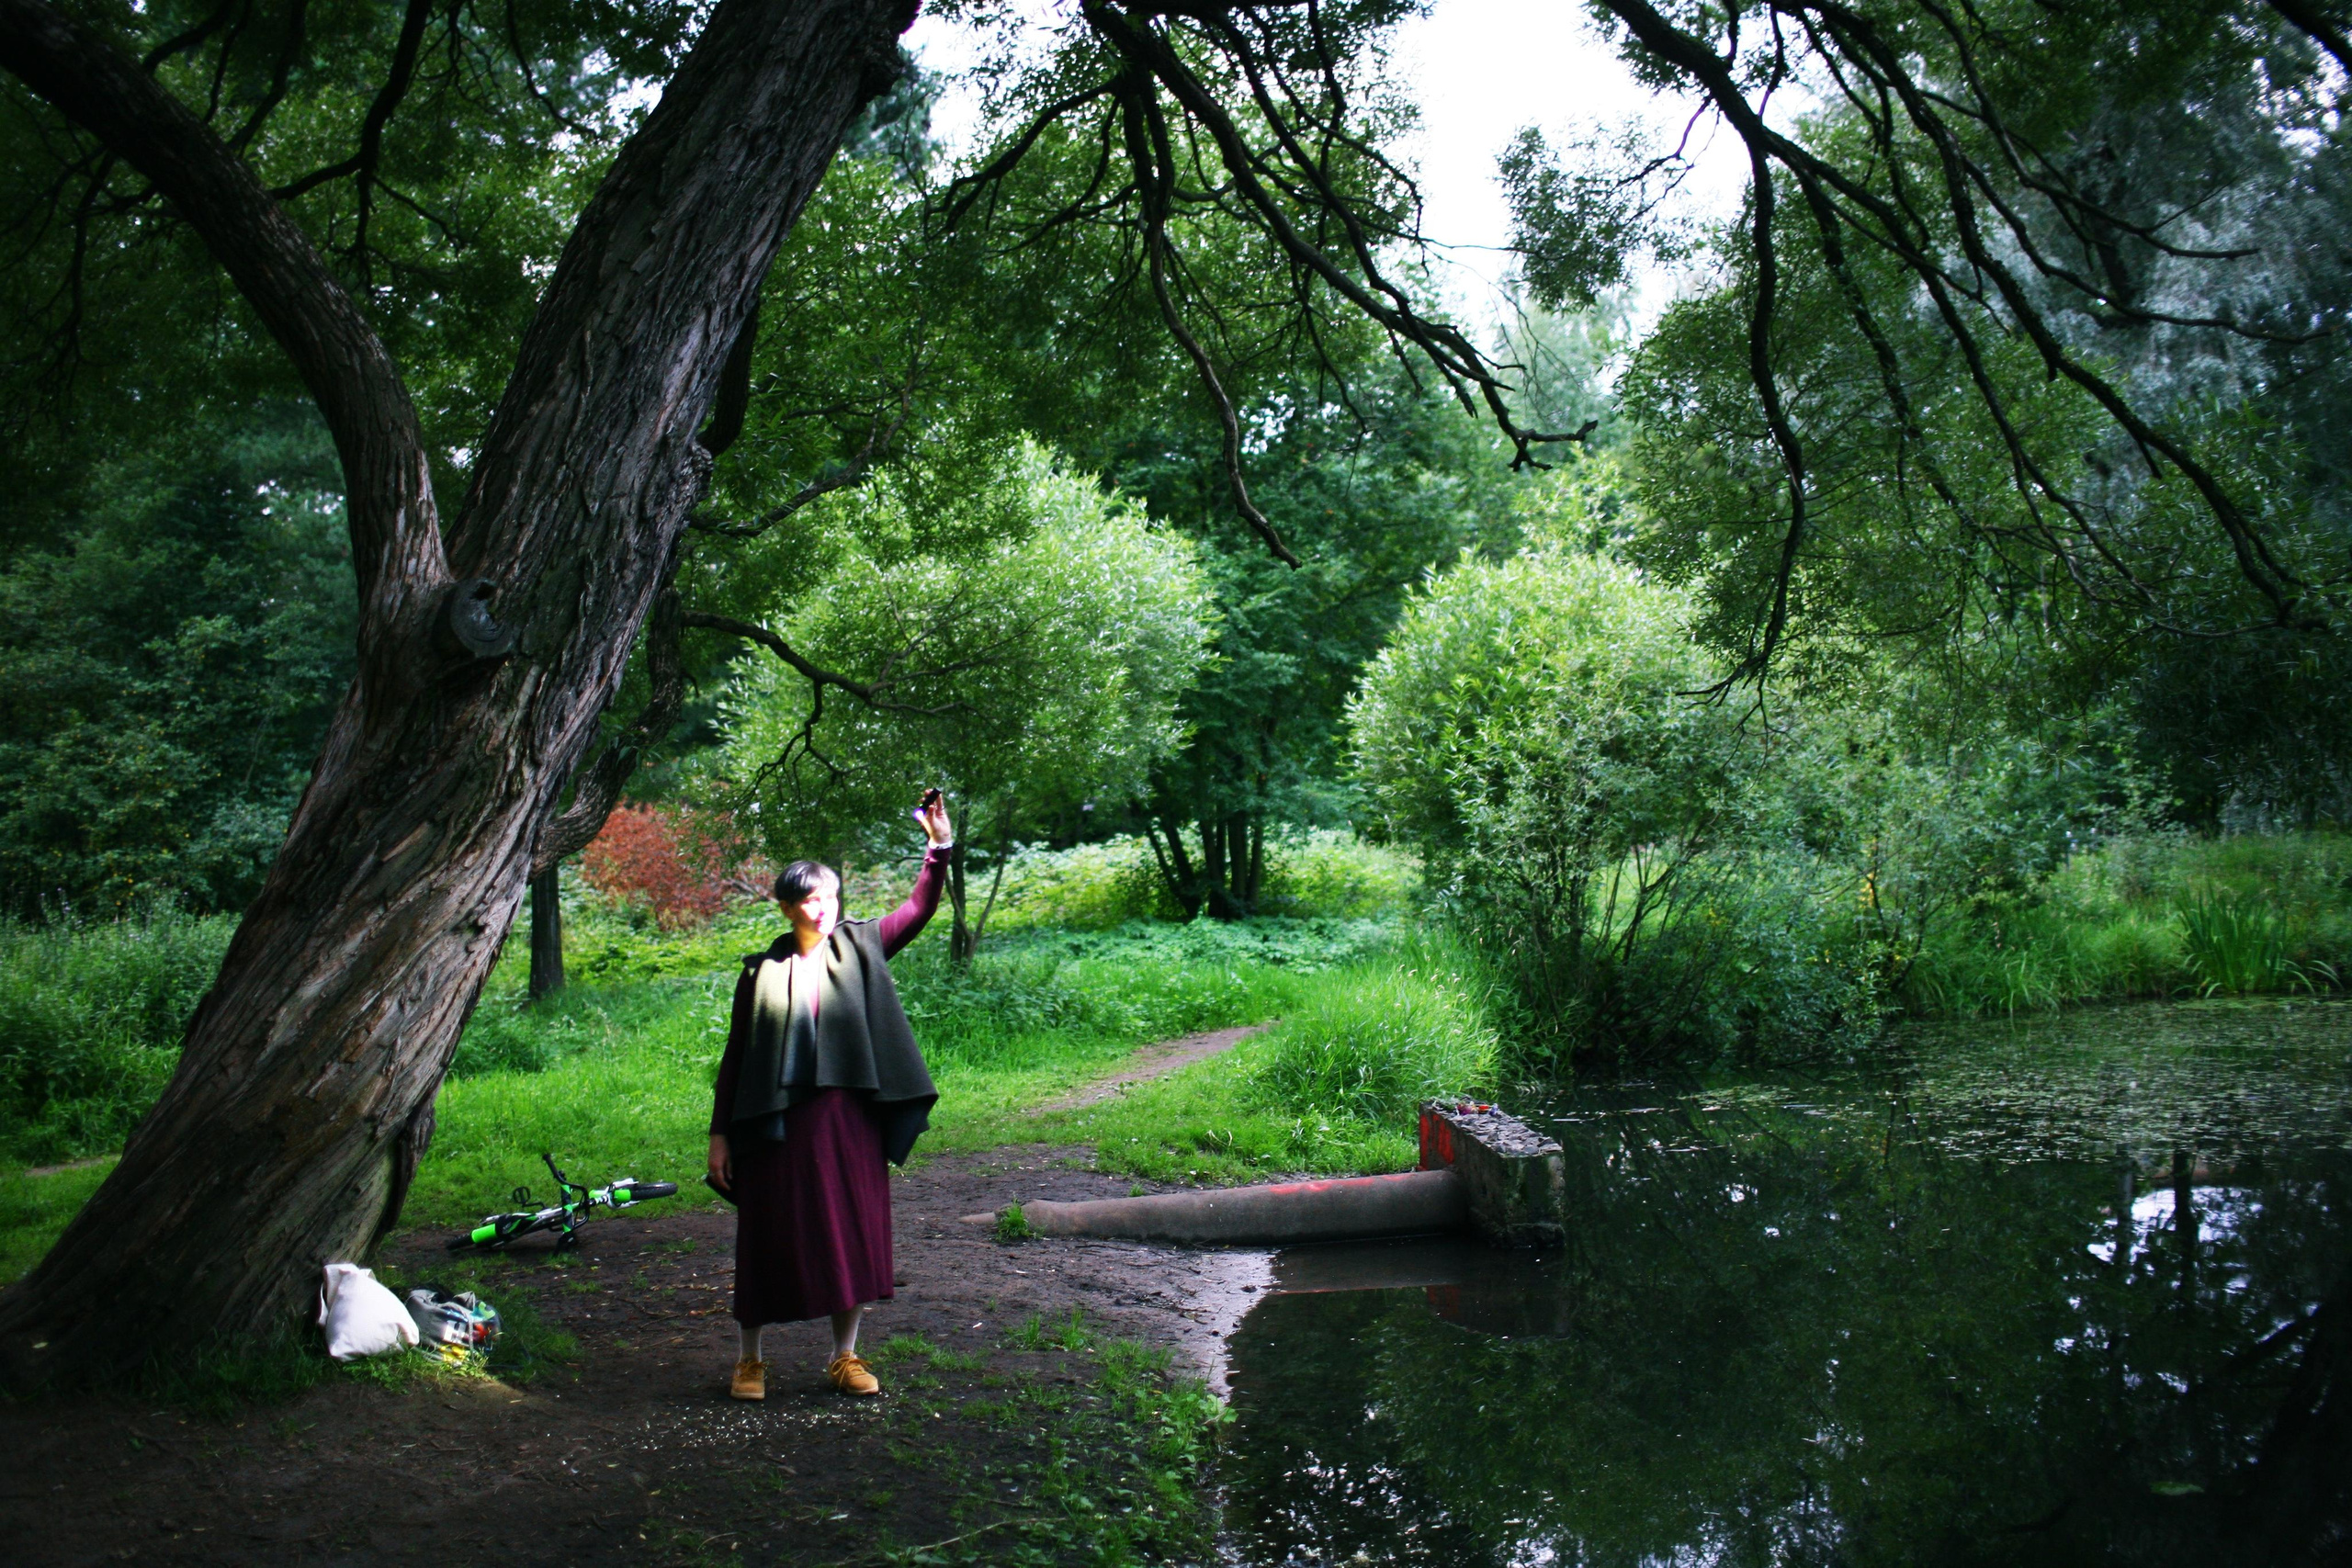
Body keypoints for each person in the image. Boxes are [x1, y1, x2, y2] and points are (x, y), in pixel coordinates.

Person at [707, 789, 953, 1400]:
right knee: (766, 1233)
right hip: (776, 1124)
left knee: (851, 1231)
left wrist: (938, 846)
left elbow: (918, 909)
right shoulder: (759, 973)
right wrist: (719, 1136)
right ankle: (749, 1361)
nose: (825, 907)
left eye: (832, 896)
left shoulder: (862, 944)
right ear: (787, 905)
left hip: (848, 1122)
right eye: (812, 898)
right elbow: (736, 1058)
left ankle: (845, 1356)